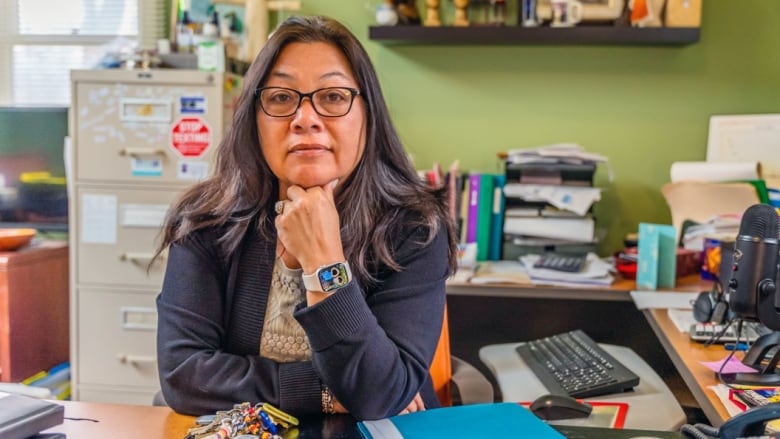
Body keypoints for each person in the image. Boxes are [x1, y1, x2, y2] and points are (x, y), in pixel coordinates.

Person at [154, 15, 458, 421]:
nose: (305, 117)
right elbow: (184, 375)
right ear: (254, 118)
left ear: (368, 114)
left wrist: (323, 263)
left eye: (332, 96)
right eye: (281, 97)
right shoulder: (206, 222)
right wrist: (325, 394)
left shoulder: (415, 229)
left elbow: (378, 393)